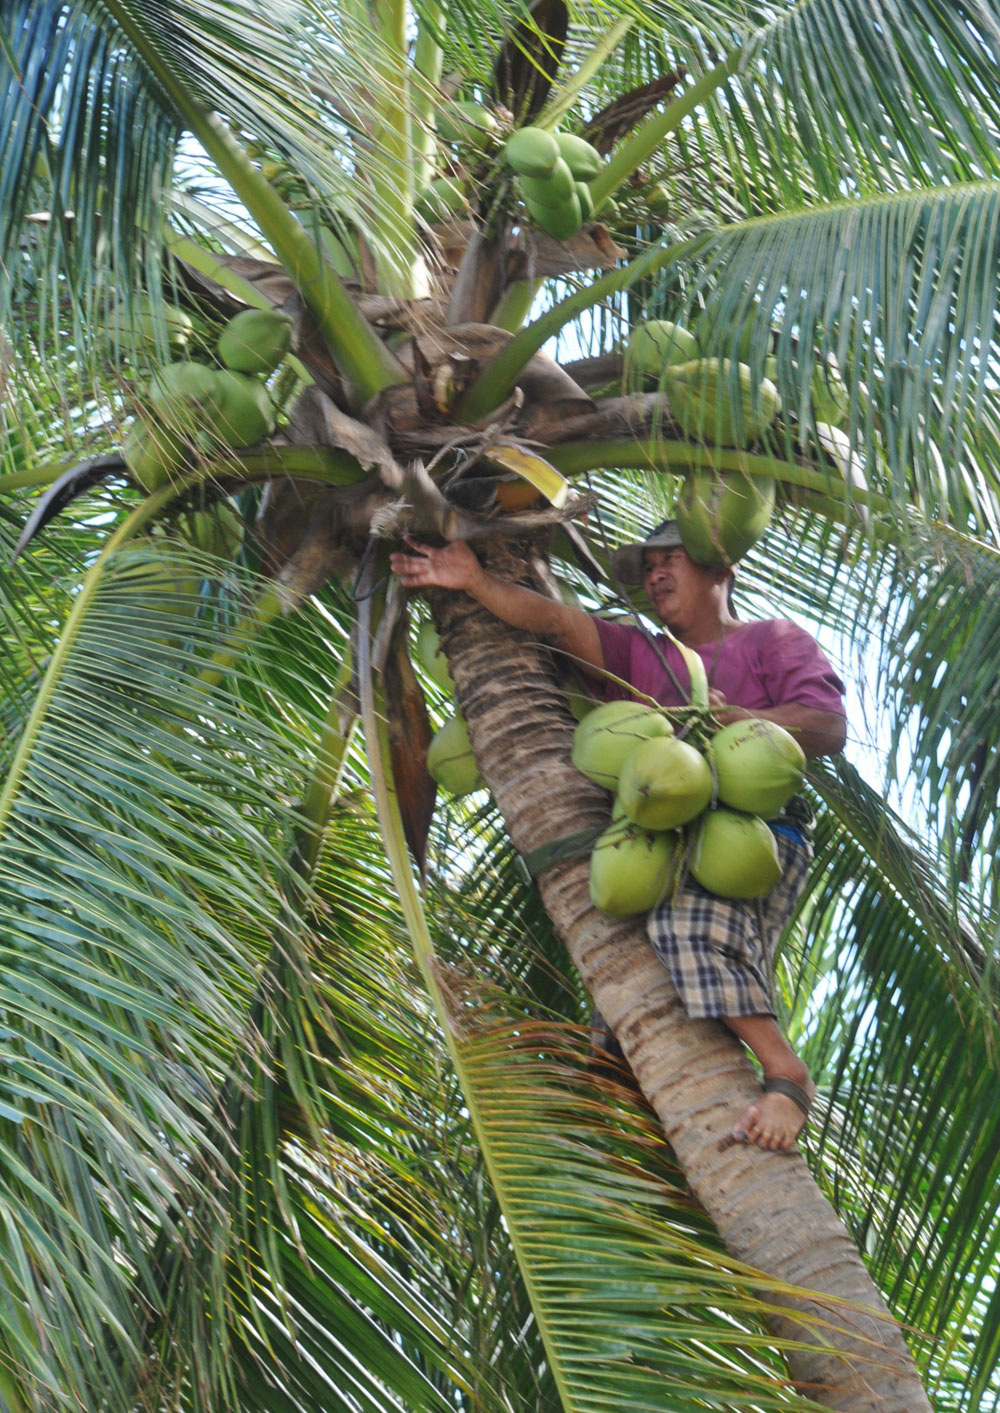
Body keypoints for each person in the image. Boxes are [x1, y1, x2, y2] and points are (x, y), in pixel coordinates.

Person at [389, 520, 847, 1152]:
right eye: (648, 565)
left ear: (720, 570)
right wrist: (471, 578)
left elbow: (824, 725)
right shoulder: (642, 653)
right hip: (664, 833)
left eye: (673, 560)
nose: (656, 575)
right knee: (632, 1008)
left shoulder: (771, 640)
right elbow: (556, 623)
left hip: (753, 828)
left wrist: (735, 720)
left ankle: (786, 1073)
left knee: (689, 932)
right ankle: (658, 1152)